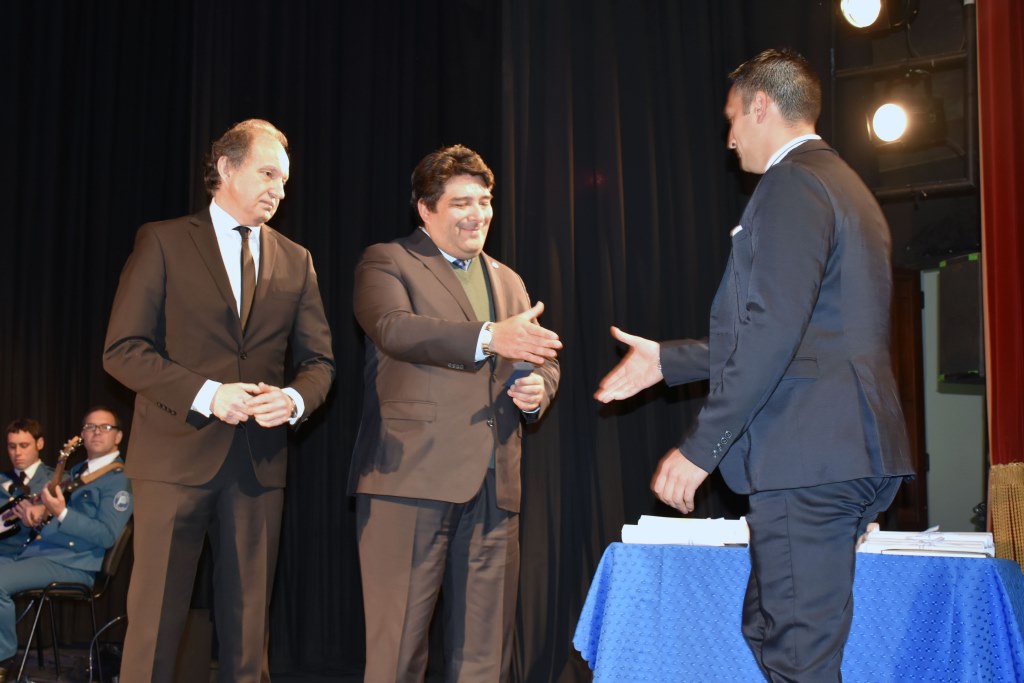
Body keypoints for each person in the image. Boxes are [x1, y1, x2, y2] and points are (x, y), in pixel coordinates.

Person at [595, 48, 914, 682]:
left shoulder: (792, 184)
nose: (730, 137)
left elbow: (772, 331)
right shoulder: (844, 185)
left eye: (733, 118)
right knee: (772, 629)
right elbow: (806, 337)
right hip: (844, 450)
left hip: (808, 455)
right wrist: (671, 361)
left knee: (796, 655)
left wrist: (700, 448)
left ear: (761, 105)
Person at [103, 118, 335, 682]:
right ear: (226, 168)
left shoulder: (296, 259)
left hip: (258, 468)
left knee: (248, 636)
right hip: (173, 461)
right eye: (268, 174)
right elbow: (123, 351)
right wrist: (208, 394)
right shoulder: (163, 241)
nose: (278, 190)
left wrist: (293, 400)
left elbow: (320, 363)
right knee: (155, 628)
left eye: (284, 181)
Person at [349, 144, 562, 681]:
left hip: (496, 486)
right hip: (410, 479)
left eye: (484, 202)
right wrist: (490, 336)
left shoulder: (508, 280)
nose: (477, 214)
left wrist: (538, 388)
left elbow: (541, 358)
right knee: (397, 651)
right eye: (462, 203)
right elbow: (395, 329)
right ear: (426, 209)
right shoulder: (387, 261)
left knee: (484, 656)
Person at [0, 407, 132, 682]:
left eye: (105, 427)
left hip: (73, 563)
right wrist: (37, 513)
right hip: (42, 553)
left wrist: (61, 513)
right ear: (82, 434)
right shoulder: (76, 471)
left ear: (118, 436)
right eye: (90, 427)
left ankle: (3, 662)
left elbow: (107, 535)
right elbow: (49, 513)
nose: (97, 432)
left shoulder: (119, 480)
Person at [1, 419, 55, 557]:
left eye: (24, 445)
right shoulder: (2, 479)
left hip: (35, 557)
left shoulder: (58, 480)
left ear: (39, 443)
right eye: (12, 446)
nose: (17, 452)